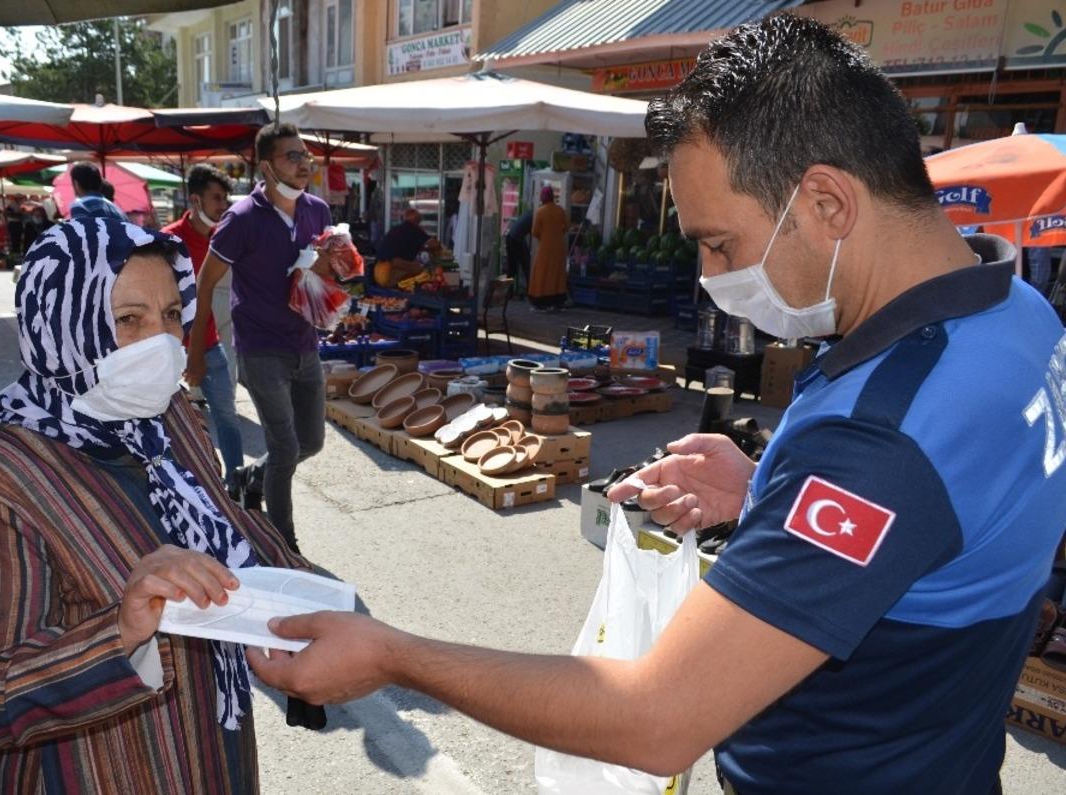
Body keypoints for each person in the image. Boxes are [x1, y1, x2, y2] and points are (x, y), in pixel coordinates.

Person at [249, 15, 1066, 793]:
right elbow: (951, 509)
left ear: (827, 204)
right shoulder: (1016, 316)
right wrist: (771, 494)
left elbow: (655, 717)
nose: (712, 276)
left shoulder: (882, 435)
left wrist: (394, 655)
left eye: (720, 242)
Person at [0, 217, 314, 794]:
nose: (160, 342)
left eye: (172, 316)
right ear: (64, 324)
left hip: (210, 751)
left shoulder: (169, 417)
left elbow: (224, 520)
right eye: (128, 320)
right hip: (92, 773)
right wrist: (120, 629)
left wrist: (308, 595)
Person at [185, 123, 333, 554]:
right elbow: (205, 282)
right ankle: (282, 544)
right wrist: (195, 355)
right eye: (293, 156)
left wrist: (333, 269)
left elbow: (325, 270)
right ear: (267, 166)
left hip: (305, 344)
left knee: (312, 442)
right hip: (261, 347)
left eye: (305, 155)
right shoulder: (242, 218)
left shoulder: (318, 210)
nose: (304, 163)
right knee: (285, 447)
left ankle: (252, 478)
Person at [163, 164, 243, 492]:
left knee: (227, 417)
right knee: (173, 425)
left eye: (225, 199)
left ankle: (236, 486)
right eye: (216, 199)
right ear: (195, 201)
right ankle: (182, 490)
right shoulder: (168, 242)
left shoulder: (220, 239)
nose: (223, 206)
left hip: (211, 344)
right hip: (171, 351)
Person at [528, 185, 568, 310]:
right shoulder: (560, 210)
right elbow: (566, 227)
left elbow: (534, 232)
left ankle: (540, 301)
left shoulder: (540, 212)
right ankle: (557, 301)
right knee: (557, 274)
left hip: (545, 248)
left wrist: (544, 235)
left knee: (541, 273)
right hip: (559, 248)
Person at [374, 208, 434, 288]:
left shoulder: (396, 229)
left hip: (377, 273)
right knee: (421, 270)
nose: (419, 224)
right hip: (389, 274)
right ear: (416, 220)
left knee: (414, 267)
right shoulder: (414, 230)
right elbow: (435, 244)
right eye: (419, 221)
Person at [503, 208, 533, 293]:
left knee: (512, 268)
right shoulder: (536, 216)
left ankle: (508, 292)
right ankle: (531, 290)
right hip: (517, 240)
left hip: (510, 237)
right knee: (527, 265)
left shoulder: (529, 212)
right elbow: (536, 232)